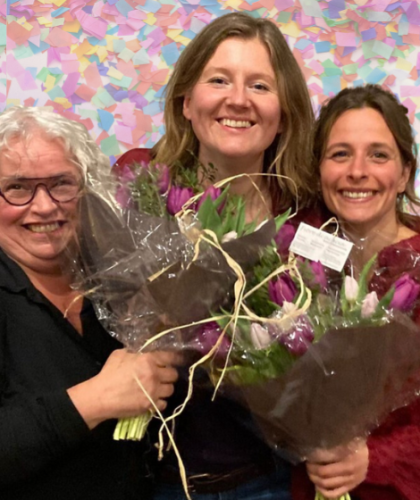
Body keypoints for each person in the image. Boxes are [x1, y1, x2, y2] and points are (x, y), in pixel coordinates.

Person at [116, 11, 316, 500]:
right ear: (187, 101)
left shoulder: (306, 218)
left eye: (261, 86)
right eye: (220, 79)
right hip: (144, 476)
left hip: (264, 481)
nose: (238, 99)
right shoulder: (140, 182)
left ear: (284, 111)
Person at [0, 106, 180, 500]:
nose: (45, 206)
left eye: (62, 183)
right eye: (17, 188)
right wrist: (97, 398)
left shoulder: (116, 273)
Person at [292, 84, 420, 500]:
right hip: (310, 483)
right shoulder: (294, 252)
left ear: (404, 174)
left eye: (378, 155)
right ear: (318, 170)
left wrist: (375, 457)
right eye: (340, 153)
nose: (357, 171)